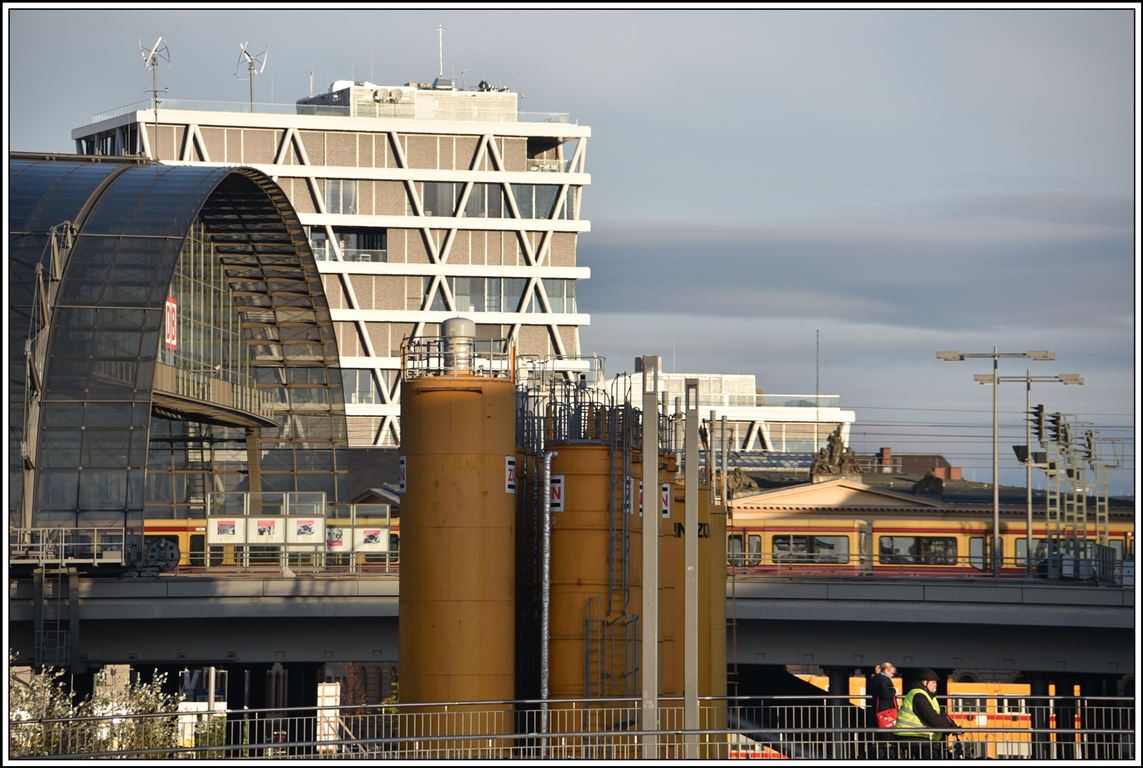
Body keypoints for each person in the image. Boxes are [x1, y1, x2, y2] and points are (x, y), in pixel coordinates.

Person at [894, 668, 962, 759]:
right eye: (933, 682)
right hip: (912, 736)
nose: (936, 685)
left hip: (918, 736)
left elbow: (941, 714)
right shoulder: (919, 695)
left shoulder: (929, 696)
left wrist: (953, 726)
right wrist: (950, 729)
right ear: (925, 682)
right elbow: (932, 718)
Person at [866, 661, 899, 759]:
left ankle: (877, 756)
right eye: (892, 673)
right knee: (887, 739)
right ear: (887, 670)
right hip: (885, 713)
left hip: (877, 712)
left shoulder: (876, 678)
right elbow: (886, 695)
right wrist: (893, 690)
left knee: (878, 739)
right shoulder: (884, 680)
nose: (892, 675)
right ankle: (887, 757)